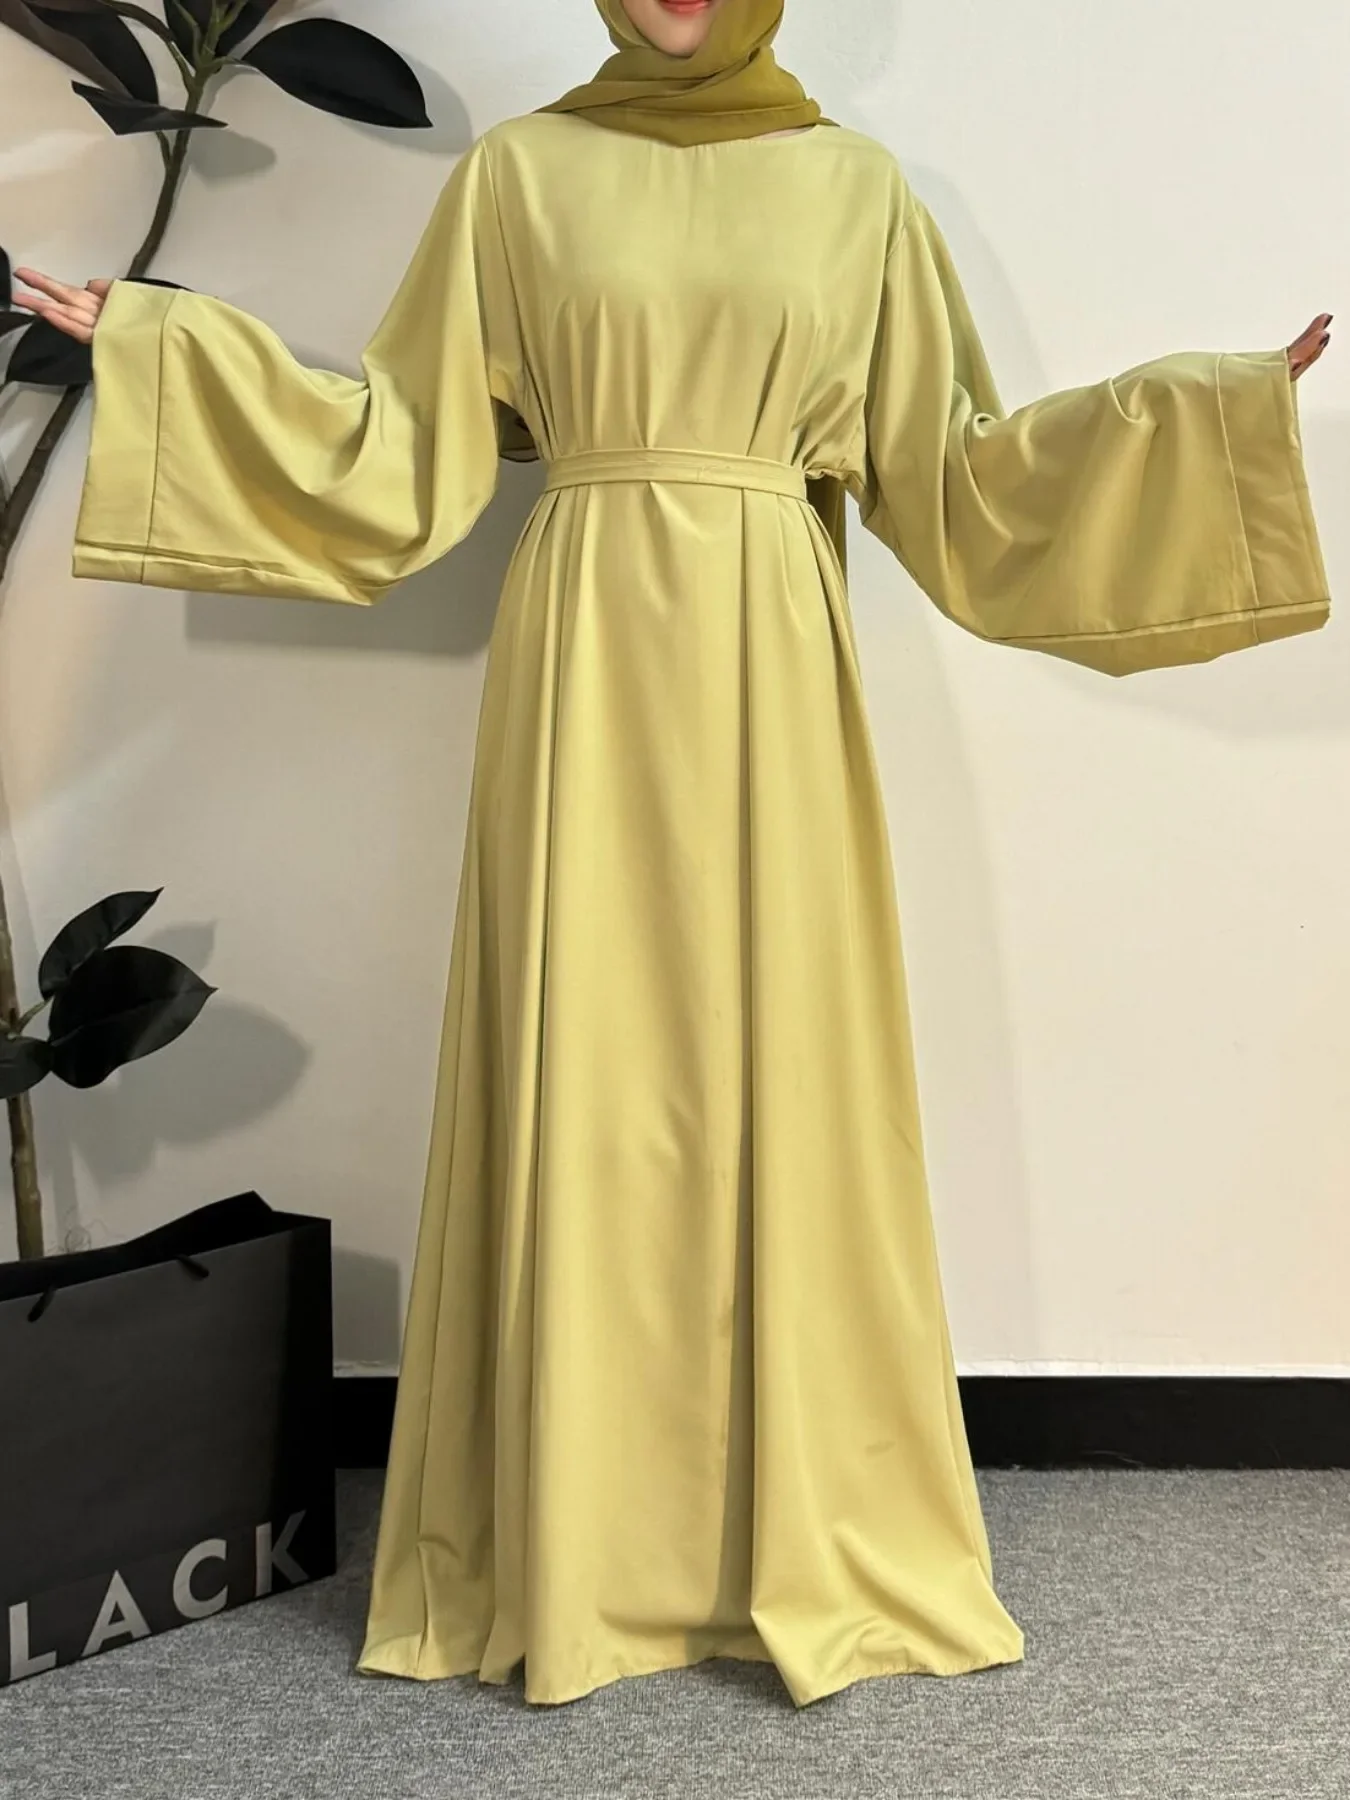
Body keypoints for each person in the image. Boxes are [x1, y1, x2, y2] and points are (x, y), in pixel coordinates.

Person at [14, 0, 1334, 1710]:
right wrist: (165, 344)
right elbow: (394, 446)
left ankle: (788, 1523)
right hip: (581, 663)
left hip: (771, 662)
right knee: (588, 1060)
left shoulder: (853, 190)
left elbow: (959, 477)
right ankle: (576, 1533)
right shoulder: (520, 178)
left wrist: (1204, 414)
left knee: (776, 1061)